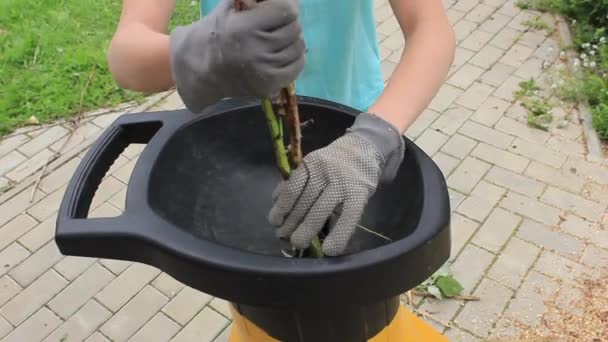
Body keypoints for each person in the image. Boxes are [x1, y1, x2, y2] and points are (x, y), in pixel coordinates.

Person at [107, 0, 455, 256]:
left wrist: (374, 138)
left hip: (351, 138)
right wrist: (207, 49)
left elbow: (430, 28)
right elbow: (127, 59)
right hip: (239, 156)